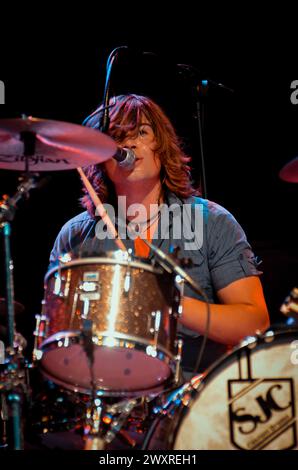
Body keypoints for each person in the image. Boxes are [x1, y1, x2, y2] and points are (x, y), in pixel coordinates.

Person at [49, 94, 270, 379]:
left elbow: (254, 322)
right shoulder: (75, 236)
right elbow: (57, 338)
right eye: (117, 137)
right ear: (100, 158)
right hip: (106, 398)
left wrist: (166, 301)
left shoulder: (212, 222)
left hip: (192, 399)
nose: (129, 144)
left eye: (141, 132)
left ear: (161, 147)